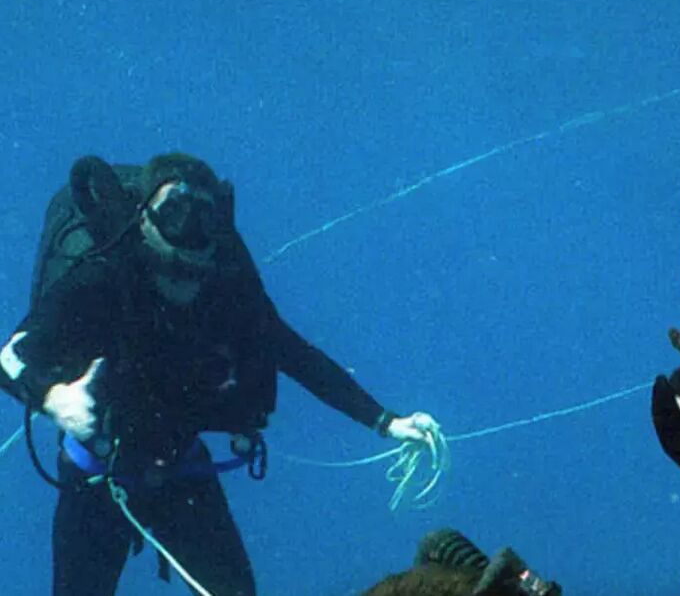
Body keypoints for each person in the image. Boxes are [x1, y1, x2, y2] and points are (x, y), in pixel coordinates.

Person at [0, 153, 441, 596]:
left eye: (204, 216)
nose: (190, 229)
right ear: (144, 219)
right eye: (174, 210)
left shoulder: (227, 289)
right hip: (97, 475)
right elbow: (9, 358)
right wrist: (53, 398)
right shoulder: (101, 280)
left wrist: (387, 421)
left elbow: (297, 355)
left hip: (181, 469)